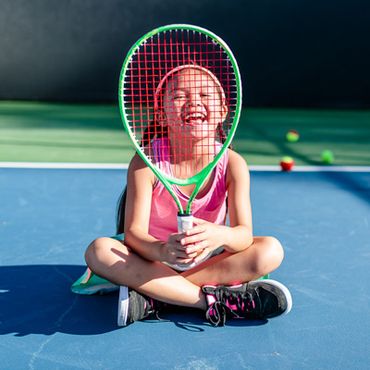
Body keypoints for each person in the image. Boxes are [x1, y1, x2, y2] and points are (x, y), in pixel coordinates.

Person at [73, 64, 292, 327]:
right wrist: (163, 250)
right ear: (162, 115)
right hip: (150, 258)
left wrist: (219, 235)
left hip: (208, 259)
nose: (192, 103)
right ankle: (211, 302)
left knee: (269, 251)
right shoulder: (145, 162)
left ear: (223, 111)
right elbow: (134, 235)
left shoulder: (233, 164)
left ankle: (156, 297)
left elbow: (243, 234)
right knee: (100, 251)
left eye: (204, 95)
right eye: (179, 96)